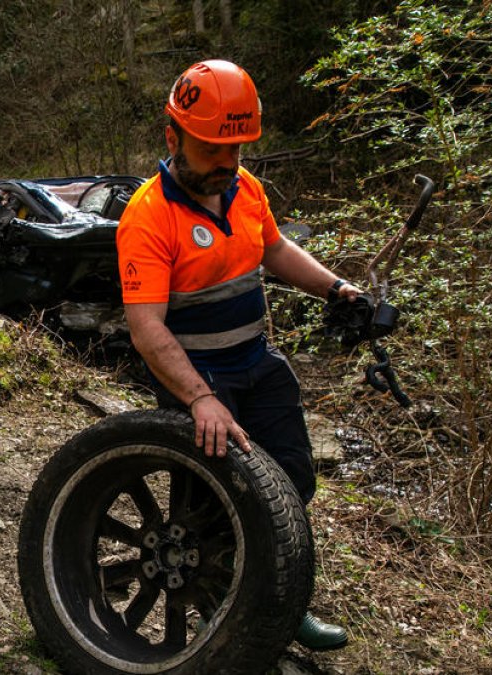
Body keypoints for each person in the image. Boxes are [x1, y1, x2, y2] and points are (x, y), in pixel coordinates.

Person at [115, 59, 354, 651]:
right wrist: (200, 398)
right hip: (199, 379)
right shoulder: (146, 217)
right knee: (214, 508)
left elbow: (274, 249)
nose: (228, 163)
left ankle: (285, 600)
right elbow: (146, 328)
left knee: (291, 486)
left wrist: (337, 289)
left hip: (258, 363)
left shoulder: (245, 189)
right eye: (212, 150)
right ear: (173, 138)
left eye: (237, 149)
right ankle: (219, 615)